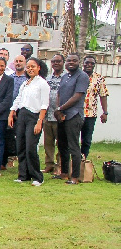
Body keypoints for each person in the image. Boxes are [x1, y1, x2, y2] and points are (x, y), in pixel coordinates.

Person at [8, 57, 49, 186]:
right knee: (21, 145)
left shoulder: (42, 84)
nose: (30, 69)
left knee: (31, 147)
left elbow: (44, 104)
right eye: (29, 67)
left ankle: (37, 177)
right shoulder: (25, 83)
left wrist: (39, 121)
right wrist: (11, 113)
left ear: (39, 68)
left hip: (34, 117)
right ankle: (23, 175)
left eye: (33, 66)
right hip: (22, 115)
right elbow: (18, 99)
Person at [54, 53, 90, 185]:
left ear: (79, 62)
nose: (71, 62)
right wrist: (59, 109)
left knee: (73, 146)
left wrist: (61, 108)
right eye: (69, 60)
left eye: (74, 60)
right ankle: (64, 173)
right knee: (62, 145)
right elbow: (59, 94)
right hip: (62, 115)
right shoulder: (65, 76)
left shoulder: (82, 76)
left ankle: (75, 177)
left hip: (74, 115)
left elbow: (77, 96)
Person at [80, 55, 108, 158]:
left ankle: (83, 160)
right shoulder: (77, 75)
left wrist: (105, 112)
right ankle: (71, 162)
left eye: (92, 63)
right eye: (87, 62)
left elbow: (103, 95)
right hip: (76, 113)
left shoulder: (99, 78)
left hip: (91, 114)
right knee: (72, 139)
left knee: (86, 140)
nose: (89, 65)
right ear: (83, 63)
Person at [43, 54, 64, 174]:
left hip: (59, 115)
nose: (56, 63)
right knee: (48, 143)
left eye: (58, 61)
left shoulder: (66, 77)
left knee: (60, 143)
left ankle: (59, 166)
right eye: (53, 61)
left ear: (63, 62)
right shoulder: (48, 78)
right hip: (47, 115)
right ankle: (49, 164)